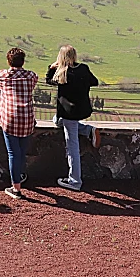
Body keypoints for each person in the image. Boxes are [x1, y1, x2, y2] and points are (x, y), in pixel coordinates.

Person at [46, 44, 101, 192]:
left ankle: (75, 181)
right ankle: (87, 130)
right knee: (58, 121)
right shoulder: (83, 68)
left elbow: (48, 80)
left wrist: (52, 67)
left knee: (72, 148)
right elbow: (94, 81)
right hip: (80, 111)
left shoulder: (61, 72)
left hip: (67, 114)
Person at [0, 47, 38, 200]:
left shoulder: (4, 76)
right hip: (27, 119)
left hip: (10, 119)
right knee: (21, 152)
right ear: (23, 61)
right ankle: (20, 174)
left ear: (9, 61)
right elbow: (34, 78)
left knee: (13, 153)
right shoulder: (31, 76)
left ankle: (16, 188)